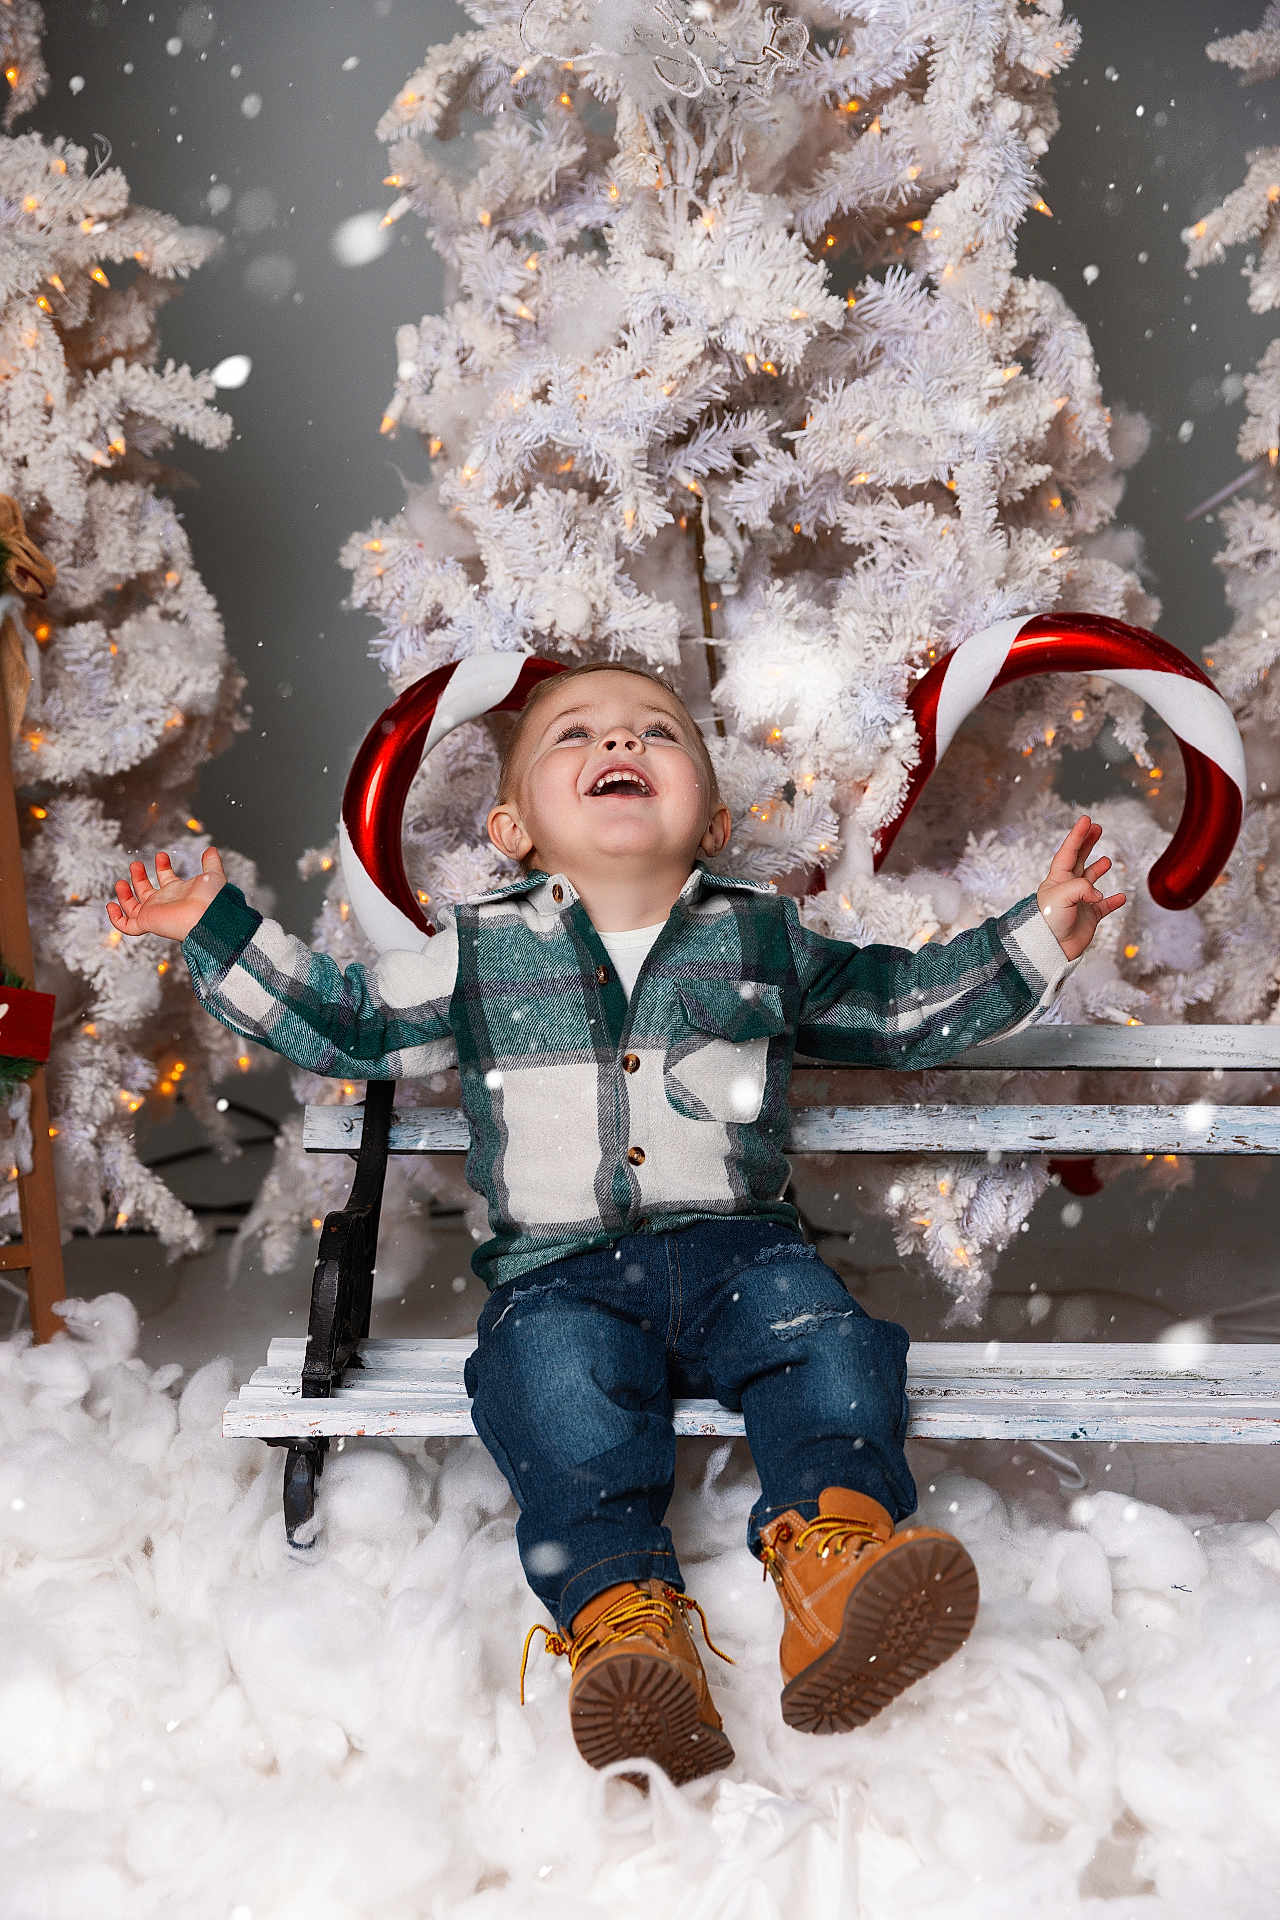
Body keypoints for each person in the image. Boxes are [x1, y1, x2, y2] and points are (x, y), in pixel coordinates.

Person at [107, 661, 1125, 1789]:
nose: (616, 745)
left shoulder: (757, 937)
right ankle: (627, 1620)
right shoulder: (480, 951)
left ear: (713, 816)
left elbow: (894, 1008)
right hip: (562, 1274)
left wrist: (1037, 935)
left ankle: (832, 1561)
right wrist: (215, 930)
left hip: (745, 1253)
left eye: (655, 733)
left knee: (829, 1346)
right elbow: (348, 1025)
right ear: (514, 826)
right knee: (549, 1386)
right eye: (574, 736)